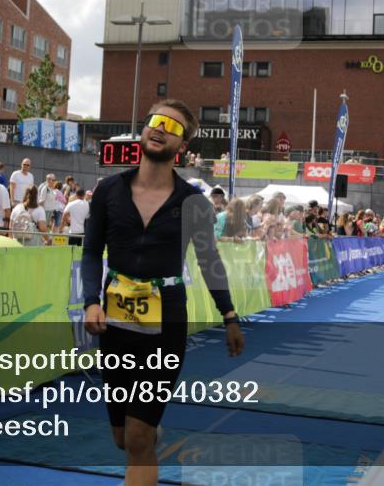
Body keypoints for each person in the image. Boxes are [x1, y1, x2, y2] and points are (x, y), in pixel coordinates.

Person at [83, 99, 244, 485]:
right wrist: (91, 301)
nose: (159, 129)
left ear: (182, 146)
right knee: (123, 438)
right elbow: (91, 252)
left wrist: (230, 316)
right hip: (116, 322)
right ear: (143, 130)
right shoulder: (108, 190)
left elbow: (210, 262)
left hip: (166, 321)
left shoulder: (193, 202)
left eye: (171, 128)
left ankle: (146, 437)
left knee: (137, 438)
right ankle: (147, 436)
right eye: (155, 121)